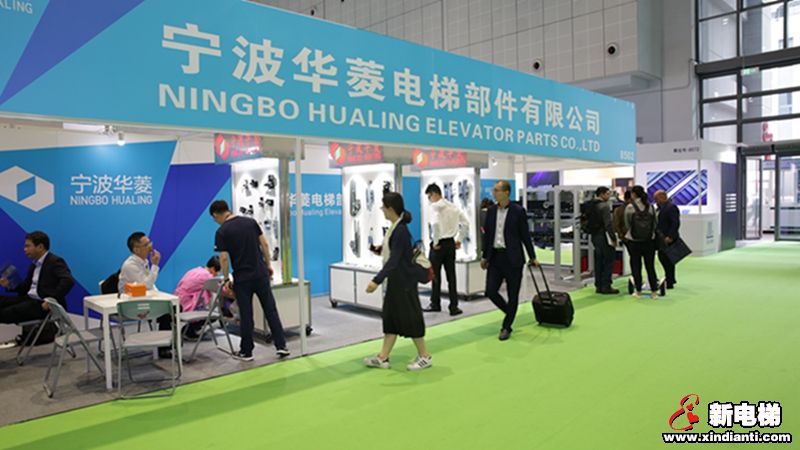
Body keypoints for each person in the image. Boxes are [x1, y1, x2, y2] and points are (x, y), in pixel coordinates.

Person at [209, 200, 289, 361]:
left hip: (242, 278)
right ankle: (281, 346)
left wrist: (226, 278)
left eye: (214, 219)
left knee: (246, 315)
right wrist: (268, 265)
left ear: (216, 215)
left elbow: (223, 258)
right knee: (271, 310)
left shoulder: (222, 231)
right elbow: (264, 244)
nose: (215, 221)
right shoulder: (250, 222)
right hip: (260, 274)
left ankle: (246, 352)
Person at [363, 192, 432, 371]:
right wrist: (380, 250)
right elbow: (395, 254)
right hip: (396, 282)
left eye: (383, 207)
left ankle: (425, 356)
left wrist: (376, 280)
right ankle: (383, 357)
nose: (382, 210)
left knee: (412, 319)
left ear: (391, 209)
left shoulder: (400, 230)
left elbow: (395, 261)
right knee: (390, 319)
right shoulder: (395, 227)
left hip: (405, 283)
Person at [480, 180, 538, 341]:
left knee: (513, 294)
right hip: (495, 257)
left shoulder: (518, 211)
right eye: (494, 190)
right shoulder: (491, 211)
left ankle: (506, 326)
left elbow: (525, 235)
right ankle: (510, 311)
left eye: (497, 190)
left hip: (513, 258)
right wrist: (485, 256)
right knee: (490, 291)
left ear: (506, 192)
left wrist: (532, 256)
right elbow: (488, 235)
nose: (494, 193)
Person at [0, 232, 74, 343]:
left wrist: (51, 300)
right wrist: (9, 285)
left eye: (28, 246)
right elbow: (26, 288)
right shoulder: (34, 265)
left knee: (4, 313)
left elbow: (68, 281)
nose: (25, 249)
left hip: (42, 305)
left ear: (40, 247)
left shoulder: (55, 261)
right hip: (29, 299)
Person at [422, 183, 468, 316]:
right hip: (450, 244)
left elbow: (435, 224)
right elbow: (466, 223)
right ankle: (454, 306)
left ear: (434, 194)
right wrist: (459, 239)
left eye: (429, 196)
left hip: (439, 245)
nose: (429, 200)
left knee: (435, 276)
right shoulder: (453, 207)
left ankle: (435, 303)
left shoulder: (435, 207)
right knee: (451, 276)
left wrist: (436, 242)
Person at [157, 256, 221, 341]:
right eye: (218, 272)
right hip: (186, 304)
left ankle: (189, 330)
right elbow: (221, 289)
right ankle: (189, 330)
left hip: (177, 300)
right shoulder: (207, 276)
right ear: (213, 269)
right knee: (213, 316)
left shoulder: (195, 270)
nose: (218, 274)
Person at [624, 186, 660, 299]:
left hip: (634, 241)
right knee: (650, 266)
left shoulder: (630, 207)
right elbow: (655, 223)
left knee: (636, 266)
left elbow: (627, 223)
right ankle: (654, 291)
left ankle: (638, 291)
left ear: (633, 194)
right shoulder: (651, 207)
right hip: (649, 241)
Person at [587, 187, 619, 295]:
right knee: (608, 260)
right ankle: (606, 285)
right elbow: (608, 224)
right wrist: (613, 238)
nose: (609, 196)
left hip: (594, 235)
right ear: (601, 194)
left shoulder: (591, 205)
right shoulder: (604, 206)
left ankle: (598, 285)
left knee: (598, 261)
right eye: (607, 194)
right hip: (604, 236)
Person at [654, 190, 680, 289]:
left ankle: (670, 280)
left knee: (668, 259)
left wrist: (670, 236)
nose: (655, 200)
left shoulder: (671, 207)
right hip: (661, 237)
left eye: (656, 198)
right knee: (663, 258)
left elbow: (675, 223)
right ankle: (670, 279)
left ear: (663, 197)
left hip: (668, 238)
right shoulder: (660, 208)